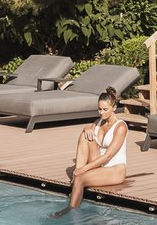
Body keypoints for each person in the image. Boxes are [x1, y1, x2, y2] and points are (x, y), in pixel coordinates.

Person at [52, 86, 127, 217]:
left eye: (105, 109)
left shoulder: (120, 126)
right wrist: (86, 128)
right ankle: (77, 178)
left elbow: (108, 155)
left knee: (81, 179)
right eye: (99, 109)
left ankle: (70, 210)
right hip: (100, 165)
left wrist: (83, 169)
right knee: (85, 135)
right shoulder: (99, 122)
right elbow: (89, 130)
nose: (101, 113)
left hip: (115, 169)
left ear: (114, 108)